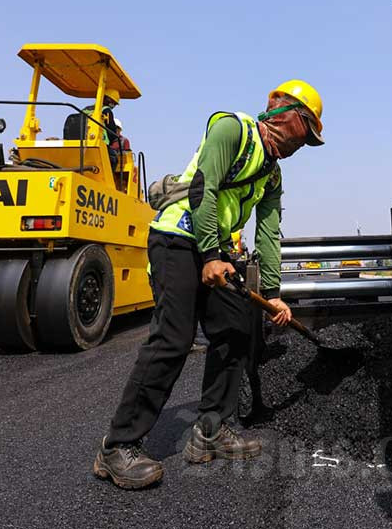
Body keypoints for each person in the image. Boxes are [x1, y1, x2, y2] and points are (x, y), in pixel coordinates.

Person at [93, 79, 325, 490]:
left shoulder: (272, 175)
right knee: (173, 338)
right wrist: (210, 256)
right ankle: (118, 446)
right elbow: (204, 188)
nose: (304, 141)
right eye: (304, 127)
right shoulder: (232, 129)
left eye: (310, 136)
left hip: (215, 247)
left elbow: (269, 232)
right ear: (277, 107)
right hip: (178, 238)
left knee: (236, 328)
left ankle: (210, 432)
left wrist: (272, 294)